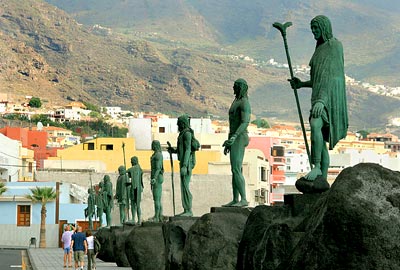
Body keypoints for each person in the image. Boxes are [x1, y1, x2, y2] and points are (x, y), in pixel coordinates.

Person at [289, 15, 348, 181]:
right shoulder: (320, 48)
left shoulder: (335, 46)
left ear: (324, 28)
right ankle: (322, 174)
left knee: (316, 125)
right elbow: (318, 79)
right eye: (312, 29)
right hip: (318, 97)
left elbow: (333, 76)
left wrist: (323, 101)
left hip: (328, 99)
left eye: (316, 28)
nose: (314, 32)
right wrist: (301, 84)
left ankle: (316, 167)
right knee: (319, 138)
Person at [222, 78, 251, 207]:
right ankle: (235, 199)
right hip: (234, 137)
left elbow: (245, 122)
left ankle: (244, 199)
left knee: (236, 168)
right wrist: (229, 140)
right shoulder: (236, 101)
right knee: (234, 169)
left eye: (235, 86)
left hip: (240, 136)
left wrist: (234, 137)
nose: (233, 88)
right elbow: (232, 123)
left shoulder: (244, 102)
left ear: (240, 87)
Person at [167, 114, 196, 216]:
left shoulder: (187, 134)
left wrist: (184, 165)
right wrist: (173, 150)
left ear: (182, 124)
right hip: (183, 162)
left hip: (186, 163)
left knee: (185, 186)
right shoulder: (182, 134)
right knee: (183, 186)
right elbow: (182, 149)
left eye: (178, 124)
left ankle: (188, 210)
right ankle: (186, 209)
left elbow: (188, 149)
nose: (178, 127)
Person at [126, 156, 144, 224]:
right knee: (134, 204)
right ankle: (135, 219)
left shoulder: (135, 168)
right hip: (135, 187)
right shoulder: (139, 168)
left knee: (135, 205)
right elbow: (135, 179)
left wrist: (124, 170)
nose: (131, 162)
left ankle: (137, 219)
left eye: (131, 161)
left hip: (136, 188)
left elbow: (125, 171)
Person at [150, 140, 164, 222]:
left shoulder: (158, 155)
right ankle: (159, 215)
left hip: (157, 177)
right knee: (157, 198)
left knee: (157, 199)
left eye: (153, 145)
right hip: (155, 177)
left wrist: (154, 178)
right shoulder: (155, 154)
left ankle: (157, 217)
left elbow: (158, 168)